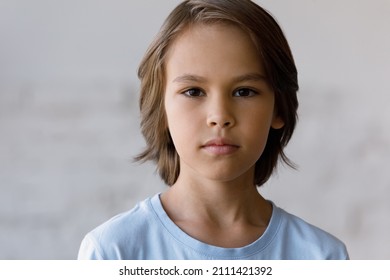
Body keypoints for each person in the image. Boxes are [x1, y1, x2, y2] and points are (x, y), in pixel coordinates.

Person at [78, 0, 348, 260]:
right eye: (193, 91)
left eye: (244, 91)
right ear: (161, 109)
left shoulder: (321, 257)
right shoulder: (112, 252)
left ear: (278, 109)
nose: (220, 116)